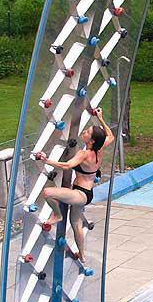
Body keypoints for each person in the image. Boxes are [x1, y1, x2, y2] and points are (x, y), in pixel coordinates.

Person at [37, 107, 114, 263]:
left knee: (47, 193)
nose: (84, 132)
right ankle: (83, 254)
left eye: (87, 132)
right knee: (76, 223)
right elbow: (110, 136)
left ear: (91, 141)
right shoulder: (99, 149)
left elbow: (67, 166)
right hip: (87, 193)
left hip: (80, 194)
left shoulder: (84, 154)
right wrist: (100, 118)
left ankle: (57, 214)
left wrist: (46, 161)